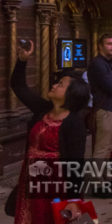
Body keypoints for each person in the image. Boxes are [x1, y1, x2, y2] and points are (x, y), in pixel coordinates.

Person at [11, 40, 90, 224]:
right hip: (31, 178)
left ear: (71, 95)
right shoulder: (42, 109)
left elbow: (76, 163)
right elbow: (19, 87)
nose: (54, 85)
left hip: (56, 183)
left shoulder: (74, 123)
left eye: (60, 85)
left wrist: (73, 199)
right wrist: (22, 61)